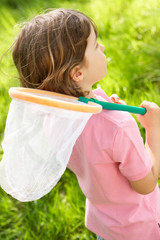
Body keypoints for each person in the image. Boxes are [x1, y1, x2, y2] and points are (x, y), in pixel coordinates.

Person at [11, 8, 160, 240]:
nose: (102, 47)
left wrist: (107, 107)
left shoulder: (56, 117)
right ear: (77, 74)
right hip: (141, 227)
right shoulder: (119, 126)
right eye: (95, 44)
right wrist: (153, 129)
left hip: (104, 225)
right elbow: (147, 184)